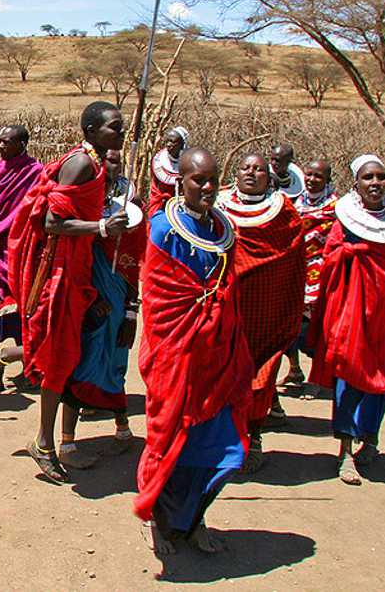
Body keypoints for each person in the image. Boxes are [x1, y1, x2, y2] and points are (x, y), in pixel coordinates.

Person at [135, 148, 252, 555]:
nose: (206, 187)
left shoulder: (224, 228)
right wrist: (201, 311)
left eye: (212, 180)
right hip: (176, 354)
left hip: (217, 356)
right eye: (196, 180)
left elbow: (229, 290)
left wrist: (218, 317)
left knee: (222, 447)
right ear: (180, 182)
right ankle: (156, 520)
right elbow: (160, 298)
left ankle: (193, 517)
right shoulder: (163, 229)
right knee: (171, 439)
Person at [7, 101, 128, 481]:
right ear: (91, 131)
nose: (120, 133)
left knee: (70, 356)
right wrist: (102, 228)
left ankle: (55, 441)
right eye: (113, 127)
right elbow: (53, 221)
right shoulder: (81, 164)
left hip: (77, 268)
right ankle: (44, 443)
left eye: (121, 127)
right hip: (58, 271)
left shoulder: (96, 164)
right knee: (59, 357)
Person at [308, 154, 385, 486]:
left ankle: (371, 438)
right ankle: (344, 452)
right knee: (350, 376)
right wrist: (351, 254)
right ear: (356, 184)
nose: (375, 184)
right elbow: (331, 259)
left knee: (382, 375)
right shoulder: (347, 220)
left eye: (380, 178)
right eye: (368, 178)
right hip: (354, 308)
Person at [216, 153, 305, 473]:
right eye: (245, 168)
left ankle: (253, 438)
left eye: (259, 170)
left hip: (266, 308)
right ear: (235, 173)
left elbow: (293, 260)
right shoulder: (218, 206)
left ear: (270, 177)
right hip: (225, 308)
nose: (252, 173)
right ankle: (224, 440)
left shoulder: (284, 213)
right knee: (222, 374)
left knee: (260, 376)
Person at [71, 147, 148, 455]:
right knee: (82, 359)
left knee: (117, 359)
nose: (108, 166)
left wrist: (130, 312)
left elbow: (136, 259)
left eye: (114, 161)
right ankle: (68, 437)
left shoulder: (133, 205)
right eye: (103, 161)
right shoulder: (82, 201)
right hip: (87, 295)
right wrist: (89, 295)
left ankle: (121, 424)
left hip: (119, 296)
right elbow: (75, 254)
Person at [0, 125, 43, 392]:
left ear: (23, 143)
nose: (1, 147)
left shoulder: (35, 173)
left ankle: (26, 366)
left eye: (7, 142)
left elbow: (35, 209)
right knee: (1, 306)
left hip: (24, 248)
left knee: (28, 308)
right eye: (0, 142)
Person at [281, 159, 338, 389]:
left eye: (318, 176)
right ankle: (295, 369)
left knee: (313, 329)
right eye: (309, 175)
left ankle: (328, 372)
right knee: (286, 326)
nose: (312, 180)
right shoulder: (294, 202)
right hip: (295, 272)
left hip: (321, 274)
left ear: (327, 180)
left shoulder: (337, 208)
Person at [145, 126, 188, 218]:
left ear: (182, 144)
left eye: (172, 141)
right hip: (160, 206)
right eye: (167, 141)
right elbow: (155, 188)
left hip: (182, 207)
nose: (168, 144)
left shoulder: (190, 163)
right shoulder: (158, 161)